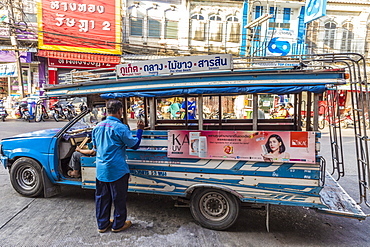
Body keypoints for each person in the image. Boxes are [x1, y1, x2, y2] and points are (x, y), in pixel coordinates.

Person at [92, 100, 145, 233]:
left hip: (101, 170)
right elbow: (135, 145)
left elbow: (94, 147)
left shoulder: (97, 127)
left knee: (102, 198)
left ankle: (102, 225)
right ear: (119, 111)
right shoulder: (120, 128)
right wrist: (140, 131)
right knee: (119, 198)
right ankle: (118, 225)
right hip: (117, 170)